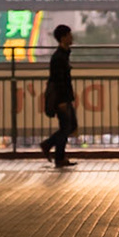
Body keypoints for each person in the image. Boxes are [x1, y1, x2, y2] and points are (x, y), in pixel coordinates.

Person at [39, 23, 78, 168]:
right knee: (67, 126)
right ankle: (53, 151)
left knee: (68, 126)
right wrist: (62, 101)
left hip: (66, 97)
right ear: (63, 37)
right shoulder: (58, 58)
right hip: (62, 98)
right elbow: (58, 81)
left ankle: (55, 152)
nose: (71, 37)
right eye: (69, 35)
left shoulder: (64, 54)